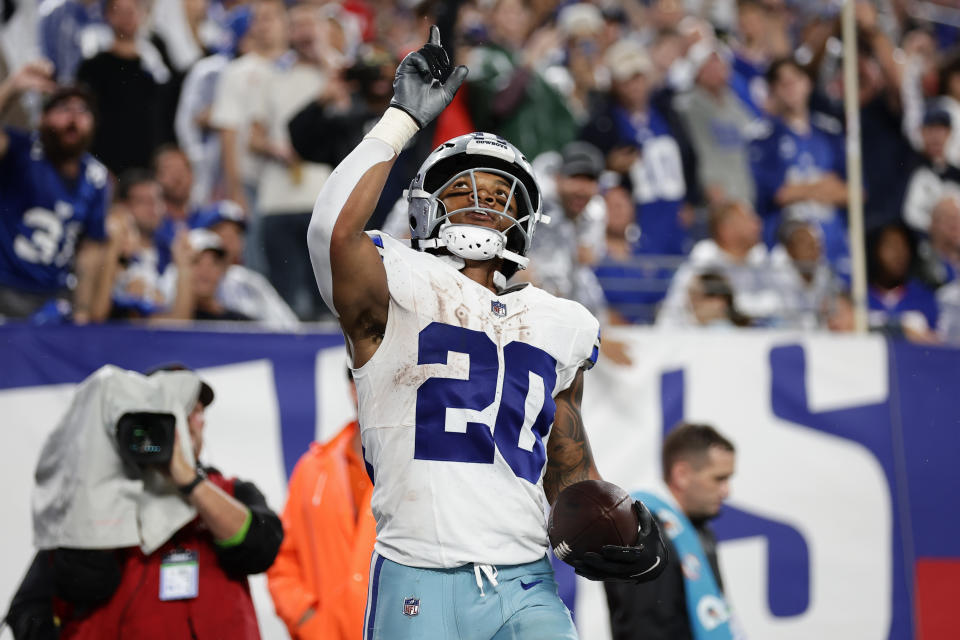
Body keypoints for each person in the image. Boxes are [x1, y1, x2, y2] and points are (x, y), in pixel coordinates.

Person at [306, 27, 666, 640]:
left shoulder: (559, 322)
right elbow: (330, 233)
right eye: (464, 189)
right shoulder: (395, 280)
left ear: (524, 220)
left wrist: (607, 518)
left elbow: (566, 462)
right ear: (425, 206)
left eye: (500, 195)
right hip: (418, 569)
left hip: (526, 578)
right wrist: (399, 122)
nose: (483, 201)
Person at [8, 364, 283, 639]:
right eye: (172, 409)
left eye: (195, 410)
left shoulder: (231, 492)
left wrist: (187, 480)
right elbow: (35, 606)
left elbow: (263, 547)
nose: (185, 419)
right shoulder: (94, 500)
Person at [267, 370, 375, 640]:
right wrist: (304, 617)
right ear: (353, 388)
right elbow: (282, 559)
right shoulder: (312, 469)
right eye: (367, 377)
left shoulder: (422, 470)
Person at [605, 422, 737, 640]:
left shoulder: (697, 529)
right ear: (682, 474)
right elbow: (645, 631)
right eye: (719, 478)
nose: (727, 491)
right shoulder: (638, 535)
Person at [0, 76, 110, 321]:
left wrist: (82, 310)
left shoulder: (96, 177)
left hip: (54, 298)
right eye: (63, 108)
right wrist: (13, 86)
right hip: (5, 288)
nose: (73, 118)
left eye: (83, 111)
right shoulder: (20, 151)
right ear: (42, 118)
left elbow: (90, 251)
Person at [75, 0, 172, 176]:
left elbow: (165, 113)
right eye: (120, 11)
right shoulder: (93, 67)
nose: (128, 17)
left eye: (133, 10)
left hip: (150, 166)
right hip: (108, 166)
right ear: (108, 16)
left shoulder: (156, 62)